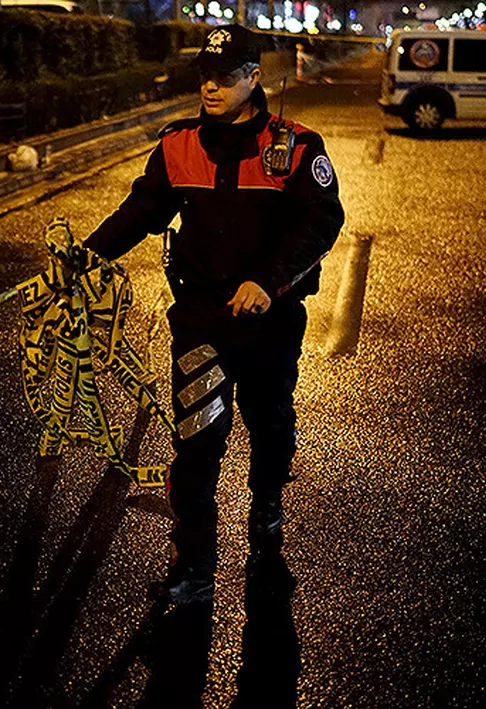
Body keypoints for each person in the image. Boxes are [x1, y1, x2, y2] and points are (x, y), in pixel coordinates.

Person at [83, 25, 345, 604]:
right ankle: (193, 566)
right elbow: (142, 210)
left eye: (226, 76)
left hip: (270, 320)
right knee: (198, 443)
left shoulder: (298, 146)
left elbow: (322, 222)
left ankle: (267, 506)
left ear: (254, 78)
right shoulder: (178, 145)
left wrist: (267, 282)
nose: (212, 86)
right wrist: (87, 256)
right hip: (201, 320)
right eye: (205, 75)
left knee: (270, 425)